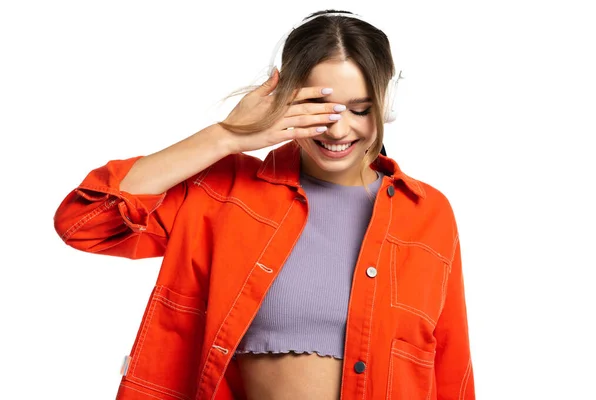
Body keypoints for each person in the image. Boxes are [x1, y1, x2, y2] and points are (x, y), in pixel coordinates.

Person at [53, 9, 475, 400]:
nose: (338, 127)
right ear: (284, 97)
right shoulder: (223, 191)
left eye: (360, 109)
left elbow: (452, 369)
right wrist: (228, 135)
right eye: (317, 106)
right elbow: (84, 222)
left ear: (387, 103)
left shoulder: (428, 212)